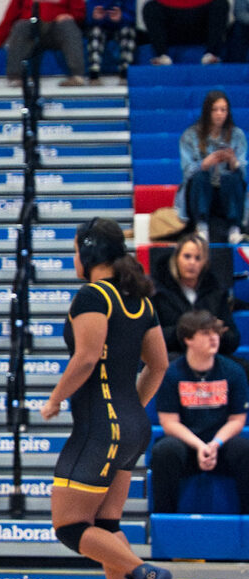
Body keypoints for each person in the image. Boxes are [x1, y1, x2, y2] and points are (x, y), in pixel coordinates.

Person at [40, 218, 172, 579]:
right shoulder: (140, 300)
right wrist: (131, 407)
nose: (73, 257)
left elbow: (86, 356)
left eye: (76, 248)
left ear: (90, 251)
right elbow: (160, 365)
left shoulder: (92, 296)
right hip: (132, 426)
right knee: (106, 525)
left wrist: (55, 398)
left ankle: (145, 575)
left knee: (70, 526)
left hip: (100, 427)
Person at [150, 310, 249, 514]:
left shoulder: (234, 371)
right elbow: (169, 422)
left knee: (245, 450)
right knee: (164, 452)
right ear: (188, 339)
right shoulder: (171, 373)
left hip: (221, 444)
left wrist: (214, 444)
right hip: (187, 446)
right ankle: (165, 523)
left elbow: (238, 419)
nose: (214, 338)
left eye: (216, 332)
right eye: (205, 333)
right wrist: (199, 445)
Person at [151, 232, 241, 358]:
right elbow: (152, 338)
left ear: (205, 263)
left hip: (210, 357)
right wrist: (188, 331)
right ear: (176, 258)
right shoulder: (158, 292)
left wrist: (218, 333)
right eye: (187, 257)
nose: (192, 262)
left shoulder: (216, 292)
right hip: (174, 357)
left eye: (198, 258)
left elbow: (233, 339)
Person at [176, 90, 247, 245]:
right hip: (199, 193)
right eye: (215, 109)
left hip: (227, 193)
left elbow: (243, 173)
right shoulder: (190, 135)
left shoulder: (237, 135)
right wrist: (204, 164)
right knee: (201, 176)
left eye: (223, 110)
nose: (219, 114)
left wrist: (233, 162)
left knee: (232, 177)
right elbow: (186, 172)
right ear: (207, 111)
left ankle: (234, 228)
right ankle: (202, 227)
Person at [0, 0, 87, 86]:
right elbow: (9, 18)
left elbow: (80, 13)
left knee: (68, 25)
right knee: (20, 26)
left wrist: (71, 16)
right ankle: (15, 77)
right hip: (31, 30)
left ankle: (77, 76)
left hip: (57, 30)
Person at [141, 0, 230, 65]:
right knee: (150, 7)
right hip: (172, 25)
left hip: (200, 25)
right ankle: (162, 56)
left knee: (220, 4)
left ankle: (210, 55)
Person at [85, 2, 136, 83]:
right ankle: (94, 74)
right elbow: (88, 18)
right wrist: (95, 18)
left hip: (121, 25)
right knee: (95, 32)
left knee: (128, 32)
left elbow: (133, 16)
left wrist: (122, 17)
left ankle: (125, 73)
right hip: (101, 25)